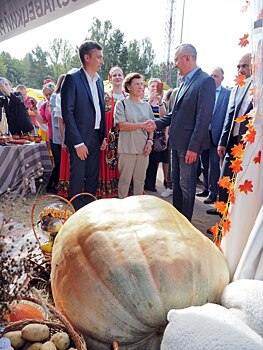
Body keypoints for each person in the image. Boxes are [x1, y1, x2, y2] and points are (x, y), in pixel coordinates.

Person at [146, 43, 216, 221]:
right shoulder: (184, 83)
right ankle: (176, 221)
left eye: (177, 59)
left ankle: (185, 225)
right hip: (176, 143)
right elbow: (174, 115)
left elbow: (203, 119)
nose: (175, 64)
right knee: (176, 185)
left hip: (188, 147)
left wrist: (194, 147)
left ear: (187, 58)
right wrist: (156, 123)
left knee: (187, 186)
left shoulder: (205, 81)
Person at [61, 40, 107, 210]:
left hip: (96, 137)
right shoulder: (72, 79)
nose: (102, 61)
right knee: (78, 178)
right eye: (99, 57)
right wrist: (78, 143)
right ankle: (75, 214)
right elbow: (68, 113)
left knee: (93, 177)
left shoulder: (99, 81)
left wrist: (103, 136)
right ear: (87, 57)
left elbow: (100, 109)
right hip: (80, 138)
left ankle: (89, 213)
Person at [207, 53, 253, 216]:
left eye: (244, 66)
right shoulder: (236, 88)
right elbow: (229, 116)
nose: (240, 69)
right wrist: (222, 142)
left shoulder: (258, 89)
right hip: (231, 143)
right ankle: (222, 215)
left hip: (249, 146)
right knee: (224, 181)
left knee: (240, 186)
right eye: (238, 66)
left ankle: (233, 220)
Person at [114, 72, 154, 199]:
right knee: (124, 182)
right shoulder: (121, 104)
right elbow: (122, 125)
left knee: (140, 182)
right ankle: (121, 210)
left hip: (143, 149)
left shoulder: (146, 105)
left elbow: (151, 126)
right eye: (137, 84)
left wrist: (150, 141)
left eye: (141, 84)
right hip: (127, 149)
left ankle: (138, 211)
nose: (140, 86)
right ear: (129, 87)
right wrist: (142, 125)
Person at [196, 67, 231, 204]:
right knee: (204, 163)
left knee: (214, 164)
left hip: (217, 136)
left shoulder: (227, 94)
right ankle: (206, 188)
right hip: (204, 134)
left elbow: (229, 115)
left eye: (216, 76)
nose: (213, 78)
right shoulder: (204, 92)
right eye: (211, 75)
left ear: (222, 78)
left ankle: (213, 193)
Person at [97, 66, 126, 198]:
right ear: (109, 78)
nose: (117, 77)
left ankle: (122, 191)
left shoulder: (128, 97)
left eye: (119, 75)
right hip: (108, 136)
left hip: (125, 136)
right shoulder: (105, 96)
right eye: (114, 75)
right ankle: (107, 191)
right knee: (107, 163)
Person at [144, 78, 167, 192]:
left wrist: (160, 101)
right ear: (148, 88)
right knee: (144, 159)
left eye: (157, 86)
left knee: (154, 161)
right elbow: (142, 113)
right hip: (145, 134)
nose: (154, 88)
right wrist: (149, 100)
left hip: (158, 136)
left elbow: (164, 117)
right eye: (152, 86)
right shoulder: (143, 100)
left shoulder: (161, 103)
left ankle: (150, 184)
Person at [35, 82, 59, 193]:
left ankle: (55, 184)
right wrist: (35, 111)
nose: (48, 97)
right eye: (46, 95)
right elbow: (42, 120)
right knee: (57, 161)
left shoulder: (59, 102)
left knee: (61, 162)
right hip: (52, 136)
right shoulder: (45, 105)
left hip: (62, 135)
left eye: (50, 94)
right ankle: (52, 184)